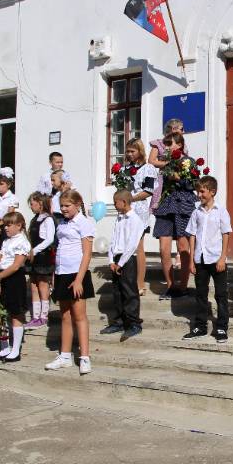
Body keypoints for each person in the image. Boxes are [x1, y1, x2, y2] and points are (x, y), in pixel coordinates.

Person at [46, 190, 96, 375]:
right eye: (62, 206)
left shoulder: (84, 223)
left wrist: (79, 280)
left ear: (77, 204)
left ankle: (84, 357)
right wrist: (54, 275)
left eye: (67, 206)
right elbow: (60, 249)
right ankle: (65, 355)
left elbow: (87, 253)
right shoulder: (63, 224)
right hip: (61, 272)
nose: (64, 209)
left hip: (76, 273)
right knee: (65, 315)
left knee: (79, 316)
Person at [184, 176, 232, 343]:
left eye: (202, 191)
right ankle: (200, 326)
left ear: (212, 192)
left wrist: (222, 258)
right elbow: (191, 235)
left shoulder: (221, 211)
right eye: (198, 191)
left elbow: (226, 234)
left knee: (220, 294)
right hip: (200, 258)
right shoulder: (196, 212)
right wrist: (191, 260)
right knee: (201, 293)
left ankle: (221, 327)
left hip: (216, 258)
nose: (199, 194)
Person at [153, 131, 197, 299]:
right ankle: (171, 286)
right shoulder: (164, 163)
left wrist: (178, 177)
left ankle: (183, 286)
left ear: (179, 144)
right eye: (165, 144)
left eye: (170, 144)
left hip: (183, 205)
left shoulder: (189, 161)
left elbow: (192, 184)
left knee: (183, 247)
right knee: (164, 248)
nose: (167, 147)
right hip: (166, 206)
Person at [101, 189, 144, 340]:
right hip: (117, 258)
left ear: (124, 202)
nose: (114, 205)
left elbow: (132, 244)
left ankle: (134, 323)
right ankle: (119, 321)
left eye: (115, 203)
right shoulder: (118, 219)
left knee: (129, 291)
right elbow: (113, 240)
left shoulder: (135, 220)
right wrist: (111, 260)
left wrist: (121, 262)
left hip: (128, 259)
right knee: (117, 291)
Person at [0, 212, 31, 362]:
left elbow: (15, 266)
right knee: (2, 313)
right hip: (3, 277)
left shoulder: (22, 241)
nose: (6, 228)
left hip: (14, 279)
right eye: (5, 225)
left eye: (9, 225)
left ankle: (15, 350)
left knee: (15, 314)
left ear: (19, 226)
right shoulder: (7, 241)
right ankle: (4, 347)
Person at [125, 138, 157, 296]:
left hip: (139, 209)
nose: (130, 154)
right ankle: (128, 281)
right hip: (125, 210)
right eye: (128, 151)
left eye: (133, 151)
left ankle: (140, 283)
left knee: (138, 247)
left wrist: (131, 198)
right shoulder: (126, 168)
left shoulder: (148, 168)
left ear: (140, 151)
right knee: (126, 246)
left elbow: (149, 190)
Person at [25, 191, 56, 329]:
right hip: (33, 258)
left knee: (43, 285)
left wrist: (35, 250)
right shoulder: (34, 219)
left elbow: (49, 239)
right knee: (33, 285)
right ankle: (35, 316)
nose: (31, 207)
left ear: (40, 203)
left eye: (32, 204)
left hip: (43, 256)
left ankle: (43, 316)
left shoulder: (48, 219)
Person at [149, 118, 186, 213]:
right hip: (164, 177)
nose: (184, 131)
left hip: (177, 177)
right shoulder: (158, 143)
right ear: (173, 129)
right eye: (181, 129)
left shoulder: (182, 145)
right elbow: (151, 161)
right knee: (162, 205)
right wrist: (168, 164)